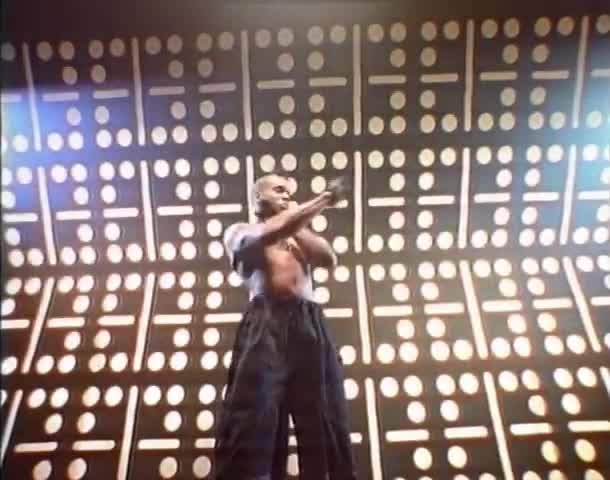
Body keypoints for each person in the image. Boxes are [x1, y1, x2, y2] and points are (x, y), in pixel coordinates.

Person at [212, 174, 358, 480]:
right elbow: (267, 233)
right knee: (254, 412)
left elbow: (328, 258)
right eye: (279, 190)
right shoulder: (240, 231)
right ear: (258, 198)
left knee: (323, 413)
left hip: (308, 323)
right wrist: (323, 200)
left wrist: (296, 221)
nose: (287, 196)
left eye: (289, 193)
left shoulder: (297, 236)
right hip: (266, 323)